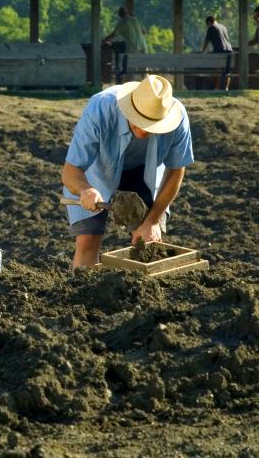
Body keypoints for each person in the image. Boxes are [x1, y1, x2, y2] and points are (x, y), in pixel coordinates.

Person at [60, 74, 194, 269]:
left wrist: (152, 220)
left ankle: (143, 287)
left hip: (144, 170)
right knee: (87, 238)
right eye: (139, 121)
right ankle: (81, 286)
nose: (144, 131)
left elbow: (175, 172)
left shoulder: (178, 118)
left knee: (148, 241)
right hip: (97, 168)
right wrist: (85, 190)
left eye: (151, 125)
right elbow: (70, 171)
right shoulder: (100, 108)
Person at [201, 15, 233, 90]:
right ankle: (226, 88)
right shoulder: (223, 27)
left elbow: (206, 41)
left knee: (217, 69)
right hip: (229, 49)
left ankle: (216, 87)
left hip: (219, 50)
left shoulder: (211, 27)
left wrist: (202, 51)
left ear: (209, 22)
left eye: (207, 25)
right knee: (227, 70)